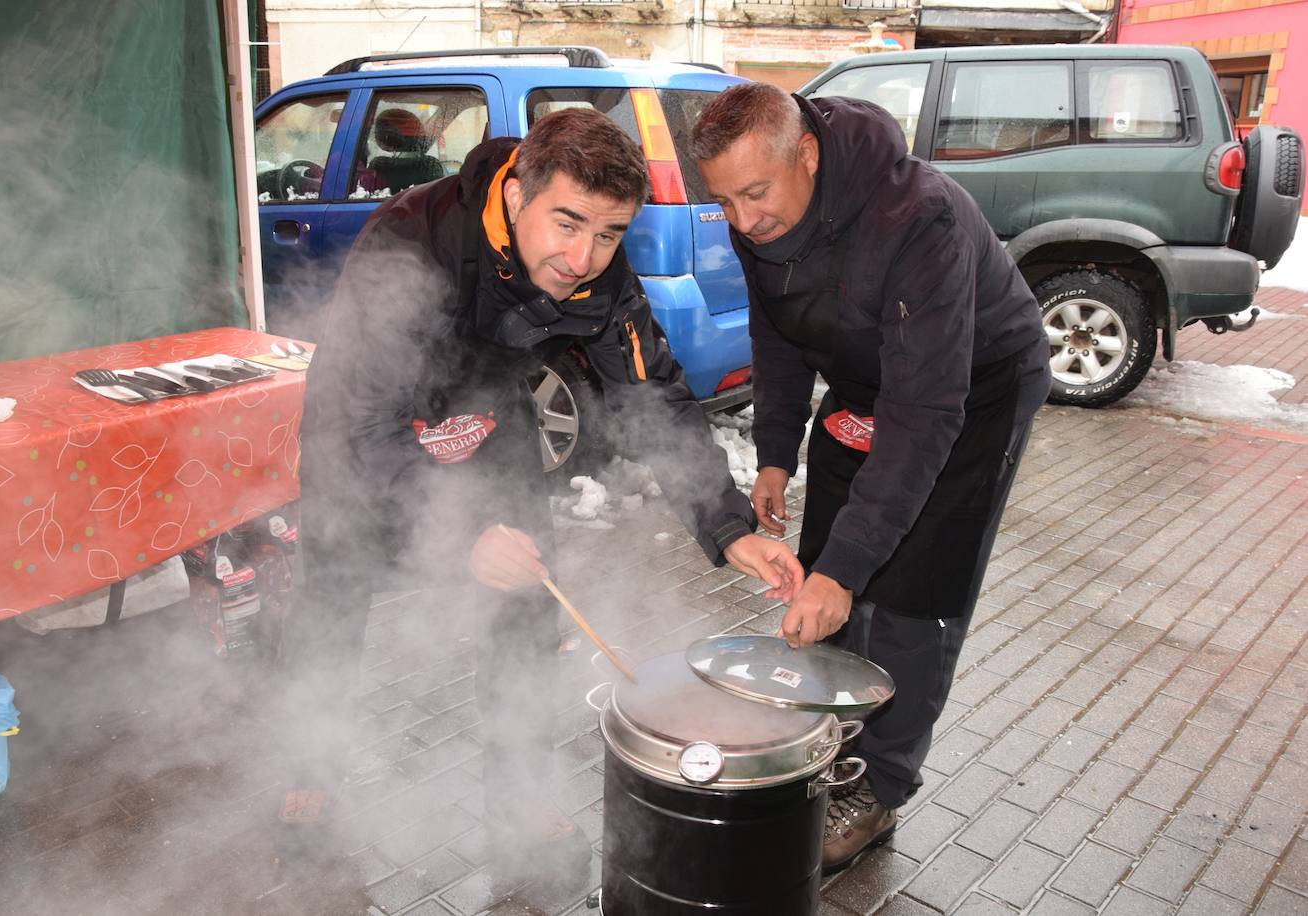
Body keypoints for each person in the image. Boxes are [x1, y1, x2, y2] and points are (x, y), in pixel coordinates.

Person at [280, 107, 804, 882]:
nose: (583, 256)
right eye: (567, 223)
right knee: (331, 591)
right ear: (520, 191)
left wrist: (727, 528)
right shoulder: (411, 245)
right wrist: (459, 537)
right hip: (366, 429)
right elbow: (363, 428)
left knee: (529, 594)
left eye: (609, 233)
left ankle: (520, 802)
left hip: (489, 416)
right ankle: (306, 778)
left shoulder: (600, 271)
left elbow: (652, 395)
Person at [692, 83, 1050, 872]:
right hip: (867, 384)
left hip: (971, 390)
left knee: (915, 590)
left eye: (756, 194)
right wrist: (778, 452)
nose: (744, 221)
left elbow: (926, 412)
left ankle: (879, 786)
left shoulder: (918, 218)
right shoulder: (760, 220)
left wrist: (849, 570)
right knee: (823, 575)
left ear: (807, 155)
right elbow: (778, 334)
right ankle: (834, 734)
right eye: (725, 203)